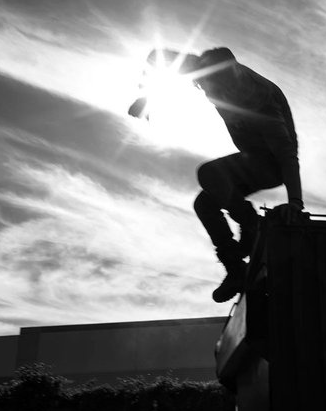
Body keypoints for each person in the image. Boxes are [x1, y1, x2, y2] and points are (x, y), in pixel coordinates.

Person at [129, 47, 304, 303]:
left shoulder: (260, 100)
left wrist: (296, 203)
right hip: (250, 159)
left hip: (272, 165)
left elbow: (287, 155)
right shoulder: (202, 67)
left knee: (210, 173)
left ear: (234, 84)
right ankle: (235, 269)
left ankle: (249, 221)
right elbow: (157, 57)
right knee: (204, 204)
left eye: (218, 88)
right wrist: (146, 97)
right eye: (205, 85)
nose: (211, 92)